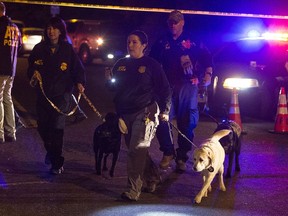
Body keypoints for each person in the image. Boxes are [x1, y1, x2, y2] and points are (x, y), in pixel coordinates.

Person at [105, 30, 171, 201]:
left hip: (145, 113)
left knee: (136, 151)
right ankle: (153, 177)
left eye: (135, 42)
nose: (131, 45)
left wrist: (165, 110)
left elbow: (165, 90)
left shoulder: (152, 65)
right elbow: (114, 88)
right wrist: (108, 80)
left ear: (144, 45)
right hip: (124, 115)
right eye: (129, 42)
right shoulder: (120, 64)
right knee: (138, 151)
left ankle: (133, 190)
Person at [150, 10, 213, 172]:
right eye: (171, 22)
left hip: (188, 85)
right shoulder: (162, 41)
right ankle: (168, 152)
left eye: (176, 22)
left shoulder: (194, 40)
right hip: (166, 86)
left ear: (182, 22)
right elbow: (152, 62)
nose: (173, 25)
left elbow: (207, 58)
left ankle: (182, 156)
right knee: (162, 119)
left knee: (187, 122)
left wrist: (207, 74)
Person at [27, 17, 86, 175]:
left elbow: (77, 69)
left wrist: (79, 82)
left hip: (62, 96)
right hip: (43, 96)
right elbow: (30, 67)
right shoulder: (39, 48)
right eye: (48, 28)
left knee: (57, 129)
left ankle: (56, 162)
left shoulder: (67, 49)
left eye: (54, 28)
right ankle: (52, 154)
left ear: (60, 31)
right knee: (43, 127)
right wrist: (34, 73)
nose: (51, 31)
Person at [0, 2, 22, 143]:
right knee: (7, 99)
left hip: (0, 68)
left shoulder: (0, 26)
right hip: (11, 69)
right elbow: (19, 46)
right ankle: (11, 131)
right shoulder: (14, 27)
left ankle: (0, 133)